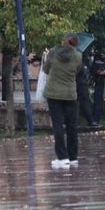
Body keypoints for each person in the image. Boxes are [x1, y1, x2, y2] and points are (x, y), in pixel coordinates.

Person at [42, 35, 82, 168]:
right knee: (72, 126)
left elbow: (46, 69)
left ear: (63, 41)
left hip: (53, 94)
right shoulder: (78, 56)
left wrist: (48, 57)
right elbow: (77, 71)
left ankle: (62, 157)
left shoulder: (53, 53)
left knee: (58, 125)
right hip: (70, 94)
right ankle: (73, 157)